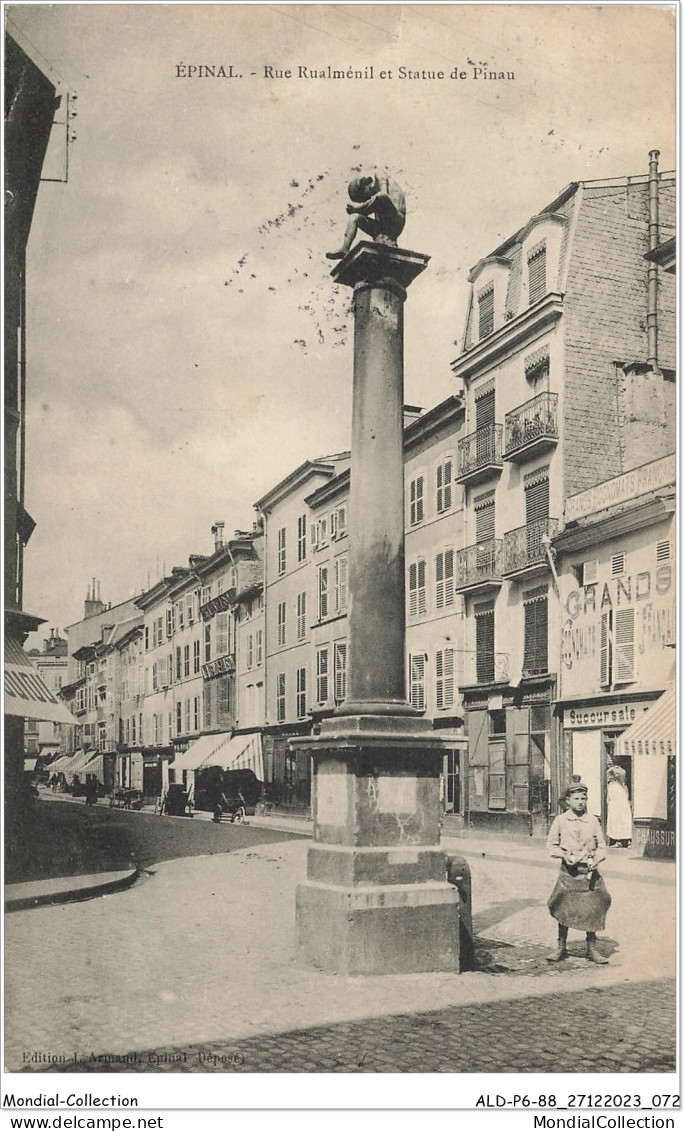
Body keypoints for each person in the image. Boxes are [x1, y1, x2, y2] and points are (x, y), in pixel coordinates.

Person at [546, 782, 612, 964]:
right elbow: (551, 845)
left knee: (594, 907)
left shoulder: (593, 821)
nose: (580, 802)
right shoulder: (560, 821)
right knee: (564, 906)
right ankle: (561, 947)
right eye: (576, 799)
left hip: (589, 872)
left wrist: (596, 859)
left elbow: (602, 847)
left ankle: (591, 948)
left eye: (583, 798)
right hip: (569, 871)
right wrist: (563, 855)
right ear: (568, 801)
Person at [326, 173, 406, 259]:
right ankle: (345, 249)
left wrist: (358, 208)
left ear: (367, 183)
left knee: (380, 197)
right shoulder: (376, 194)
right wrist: (358, 211)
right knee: (355, 217)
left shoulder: (380, 176)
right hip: (383, 228)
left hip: (394, 222)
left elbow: (383, 196)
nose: (369, 198)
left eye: (365, 197)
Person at [606, 765, 632, 848]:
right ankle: (618, 841)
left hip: (620, 805)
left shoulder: (621, 785)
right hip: (615, 805)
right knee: (617, 822)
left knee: (623, 822)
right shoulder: (613, 785)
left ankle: (625, 841)